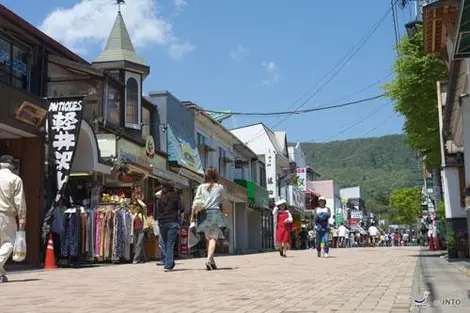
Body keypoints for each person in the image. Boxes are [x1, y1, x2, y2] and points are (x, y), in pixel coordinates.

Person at [190, 167, 227, 271]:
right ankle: (209, 260)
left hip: (204, 214)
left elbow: (195, 203)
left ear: (205, 176)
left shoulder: (201, 187)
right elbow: (222, 201)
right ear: (216, 176)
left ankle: (211, 260)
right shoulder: (220, 187)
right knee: (213, 238)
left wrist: (192, 216)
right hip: (215, 213)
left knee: (208, 238)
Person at [0, 155, 26, 283]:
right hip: (6, 215)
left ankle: (1, 274)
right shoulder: (15, 179)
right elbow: (19, 202)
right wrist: (22, 219)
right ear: (11, 166)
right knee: (9, 243)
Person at [158, 183, 183, 272]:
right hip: (173, 221)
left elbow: (159, 211)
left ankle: (169, 262)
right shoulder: (176, 196)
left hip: (162, 222)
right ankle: (168, 265)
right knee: (170, 244)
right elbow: (182, 208)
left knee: (164, 243)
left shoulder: (161, 198)